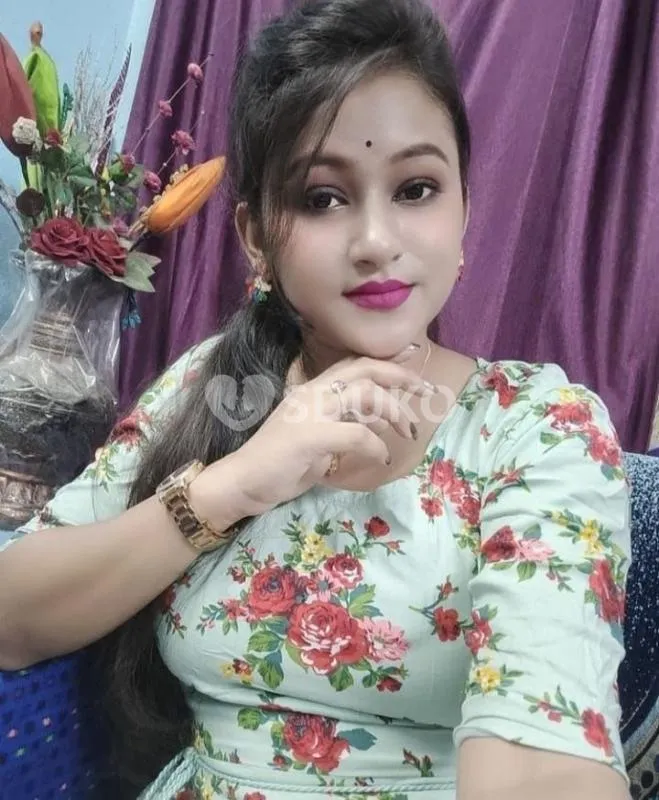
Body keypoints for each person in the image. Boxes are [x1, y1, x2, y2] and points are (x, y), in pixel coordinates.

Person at [0, 0, 631, 798]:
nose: (375, 241)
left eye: (416, 188)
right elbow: (13, 619)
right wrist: (233, 487)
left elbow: (544, 754)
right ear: (255, 238)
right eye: (321, 198)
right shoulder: (212, 389)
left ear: (464, 211)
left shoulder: (535, 426)